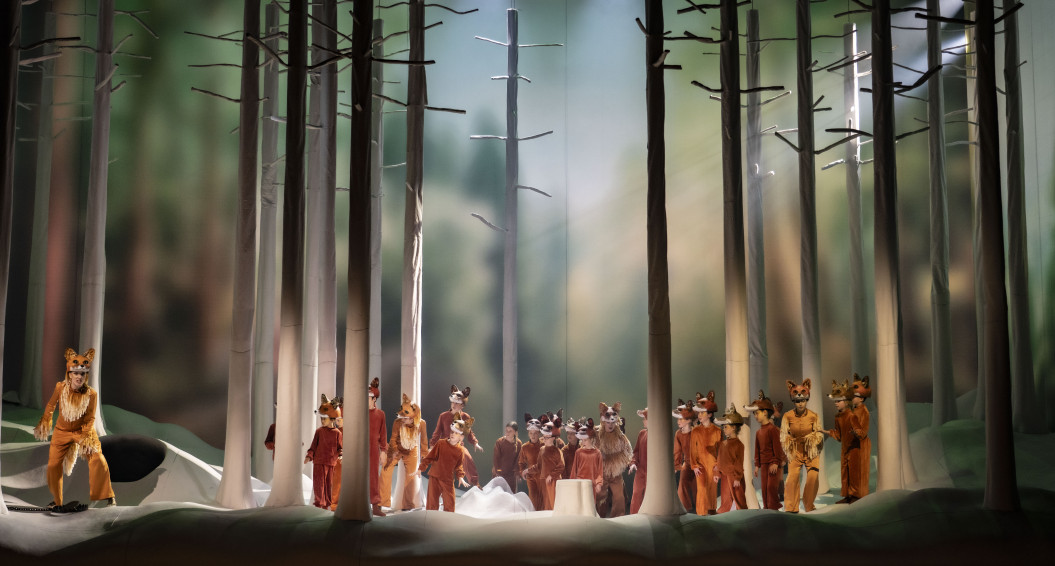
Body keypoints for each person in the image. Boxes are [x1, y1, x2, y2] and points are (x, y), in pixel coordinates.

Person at [33, 348, 115, 509]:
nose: (79, 377)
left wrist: (84, 438)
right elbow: (51, 405)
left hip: (83, 431)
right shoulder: (60, 387)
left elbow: (90, 418)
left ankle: (108, 496)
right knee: (53, 465)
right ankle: (57, 501)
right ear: (69, 374)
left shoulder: (91, 394)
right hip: (61, 432)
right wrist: (46, 420)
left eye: (82, 374)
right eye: (76, 373)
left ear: (86, 376)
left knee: (98, 458)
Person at [781, 379, 824, 513]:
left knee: (813, 477)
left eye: (803, 400)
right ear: (793, 401)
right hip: (796, 450)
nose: (800, 403)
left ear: (807, 400)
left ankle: (809, 504)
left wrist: (813, 439)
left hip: (811, 450)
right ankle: (791, 507)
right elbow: (783, 433)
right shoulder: (787, 416)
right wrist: (788, 443)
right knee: (792, 478)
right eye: (797, 401)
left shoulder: (813, 416)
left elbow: (819, 432)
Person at [380, 393, 428, 511]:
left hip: (411, 450)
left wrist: (424, 456)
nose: (402, 420)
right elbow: (393, 438)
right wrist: (393, 451)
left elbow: (424, 441)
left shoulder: (421, 423)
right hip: (397, 447)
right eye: (401, 417)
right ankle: (382, 502)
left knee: (411, 476)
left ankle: (407, 505)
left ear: (412, 417)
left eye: (405, 418)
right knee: (385, 470)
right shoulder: (397, 422)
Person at [416, 413, 472, 511]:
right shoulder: (441, 443)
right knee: (432, 502)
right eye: (452, 432)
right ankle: (431, 517)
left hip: (447, 479)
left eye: (456, 433)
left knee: (450, 503)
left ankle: (447, 518)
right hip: (435, 477)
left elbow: (459, 466)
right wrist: (421, 468)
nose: (452, 434)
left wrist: (460, 477)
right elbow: (430, 457)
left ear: (461, 437)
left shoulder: (460, 450)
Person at [431, 385, 483, 487]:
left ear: (462, 405)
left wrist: (475, 443)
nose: (453, 405)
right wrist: (432, 446)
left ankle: (476, 484)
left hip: (459, 446)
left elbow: (469, 432)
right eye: (452, 402)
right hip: (445, 446)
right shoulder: (443, 416)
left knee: (467, 458)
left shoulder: (465, 416)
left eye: (456, 403)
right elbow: (437, 433)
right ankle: (443, 489)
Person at [824, 379, 866, 504]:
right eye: (835, 401)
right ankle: (847, 495)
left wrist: (856, 433)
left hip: (854, 449)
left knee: (853, 472)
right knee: (845, 472)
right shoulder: (838, 417)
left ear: (845, 401)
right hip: (845, 449)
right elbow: (838, 436)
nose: (836, 404)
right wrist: (826, 432)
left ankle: (855, 496)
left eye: (838, 401)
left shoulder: (851, 416)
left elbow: (861, 432)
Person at [744, 390, 785, 511]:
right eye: (754, 414)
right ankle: (766, 508)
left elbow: (777, 447)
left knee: (771, 487)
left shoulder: (773, 430)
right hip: (763, 464)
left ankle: (773, 508)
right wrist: (757, 465)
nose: (755, 416)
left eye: (757, 413)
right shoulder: (758, 432)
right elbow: (757, 450)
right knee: (764, 488)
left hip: (772, 464)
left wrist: (775, 462)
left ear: (765, 412)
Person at [596, 402, 633, 517]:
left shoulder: (620, 436)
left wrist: (627, 463)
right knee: (600, 496)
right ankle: (598, 517)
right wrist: (598, 456)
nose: (610, 425)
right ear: (603, 421)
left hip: (616, 472)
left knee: (619, 497)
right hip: (602, 472)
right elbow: (589, 447)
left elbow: (627, 449)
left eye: (612, 422)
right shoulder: (597, 434)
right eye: (608, 422)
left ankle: (618, 518)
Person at [304, 401, 343, 509]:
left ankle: (326, 506)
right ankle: (318, 504)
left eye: (324, 419)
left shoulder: (337, 433)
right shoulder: (319, 431)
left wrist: (341, 455)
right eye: (321, 418)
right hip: (319, 462)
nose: (322, 421)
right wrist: (309, 456)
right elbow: (313, 446)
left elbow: (340, 448)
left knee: (328, 485)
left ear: (332, 419)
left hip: (331, 463)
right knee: (319, 485)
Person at [690, 391, 721, 515]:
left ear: (710, 414)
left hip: (713, 465)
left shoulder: (717, 431)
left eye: (702, 412)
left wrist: (717, 469)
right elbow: (692, 449)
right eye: (699, 413)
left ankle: (712, 513)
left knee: (712, 490)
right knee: (702, 489)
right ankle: (701, 515)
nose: (699, 415)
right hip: (700, 465)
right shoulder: (696, 431)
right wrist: (694, 465)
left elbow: (720, 451)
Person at [713, 404, 747, 513]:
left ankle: (743, 515)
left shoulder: (739, 445)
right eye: (723, 427)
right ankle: (724, 515)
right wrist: (717, 473)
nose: (724, 429)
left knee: (739, 498)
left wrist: (737, 477)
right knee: (726, 499)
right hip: (725, 476)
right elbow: (719, 460)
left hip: (734, 476)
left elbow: (739, 462)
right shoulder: (723, 444)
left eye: (726, 427)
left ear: (734, 428)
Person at [672, 401, 697, 513]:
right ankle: (684, 509)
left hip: (699, 463)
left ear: (688, 420)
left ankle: (700, 510)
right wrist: (676, 465)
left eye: (681, 419)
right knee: (682, 484)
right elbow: (677, 451)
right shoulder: (678, 433)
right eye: (678, 419)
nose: (678, 421)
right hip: (687, 463)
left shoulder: (696, 432)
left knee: (697, 487)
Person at [368, 378, 388, 516]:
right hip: (360, 449)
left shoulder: (380, 414)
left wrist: (383, 451)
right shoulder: (360, 413)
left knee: (374, 476)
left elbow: (383, 434)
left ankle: (375, 505)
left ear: (374, 399)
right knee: (359, 476)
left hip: (373, 449)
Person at [851, 374, 873, 499]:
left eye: (854, 396)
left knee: (862, 471)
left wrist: (855, 431)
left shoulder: (864, 411)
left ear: (861, 398)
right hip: (854, 444)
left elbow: (863, 431)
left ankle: (862, 495)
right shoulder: (854, 410)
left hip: (862, 444)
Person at [570, 418, 603, 501]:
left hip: (591, 484)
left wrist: (598, 483)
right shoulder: (578, 452)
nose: (583, 442)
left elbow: (600, 471)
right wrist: (572, 483)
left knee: (590, 504)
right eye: (582, 440)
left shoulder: (597, 453)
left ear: (591, 439)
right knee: (580, 503)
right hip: (580, 484)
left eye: (585, 440)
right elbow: (574, 469)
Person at [518, 414, 545, 510]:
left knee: (543, 500)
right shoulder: (525, 447)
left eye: (535, 433)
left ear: (539, 433)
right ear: (528, 433)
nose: (533, 436)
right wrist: (522, 472)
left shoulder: (544, 446)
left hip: (542, 477)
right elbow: (521, 463)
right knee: (533, 499)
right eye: (531, 433)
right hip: (531, 478)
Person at [538, 418, 566, 510]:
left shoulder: (557, 451)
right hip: (543, 479)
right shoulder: (542, 449)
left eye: (547, 437)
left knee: (554, 502)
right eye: (543, 437)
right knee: (546, 503)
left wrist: (551, 475)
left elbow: (561, 466)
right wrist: (527, 470)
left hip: (554, 480)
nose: (544, 439)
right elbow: (538, 465)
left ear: (553, 438)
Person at [492, 421, 522, 492]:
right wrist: (498, 472)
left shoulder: (519, 443)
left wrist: (517, 473)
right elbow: (496, 458)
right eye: (506, 430)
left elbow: (518, 459)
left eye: (510, 431)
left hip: (511, 475)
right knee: (498, 493)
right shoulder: (499, 442)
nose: (507, 433)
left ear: (515, 432)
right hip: (499, 473)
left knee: (510, 494)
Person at [628, 409, 648, 514]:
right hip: (640, 470)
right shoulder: (642, 433)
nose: (643, 421)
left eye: (645, 418)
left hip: (652, 472)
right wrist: (633, 464)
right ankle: (634, 517)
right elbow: (636, 452)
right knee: (636, 495)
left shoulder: (658, 435)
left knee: (649, 496)